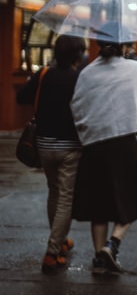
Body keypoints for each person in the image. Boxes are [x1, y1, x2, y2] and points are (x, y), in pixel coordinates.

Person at [70, 28, 137, 275]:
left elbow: (77, 105)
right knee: (129, 196)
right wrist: (133, 116)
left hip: (95, 143)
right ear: (125, 46)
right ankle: (113, 243)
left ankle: (99, 256)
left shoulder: (87, 73)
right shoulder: (135, 70)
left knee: (98, 202)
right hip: (126, 140)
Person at [17, 35, 86, 274]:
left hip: (44, 145)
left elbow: (21, 97)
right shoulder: (80, 79)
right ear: (78, 55)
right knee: (66, 196)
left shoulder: (44, 74)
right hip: (70, 146)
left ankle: (59, 239)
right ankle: (52, 251)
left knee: (54, 191)